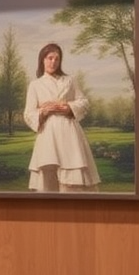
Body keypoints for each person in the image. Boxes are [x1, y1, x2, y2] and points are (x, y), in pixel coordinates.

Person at [23, 42, 101, 193]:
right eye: (50, 58)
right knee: (48, 172)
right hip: (48, 134)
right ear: (42, 60)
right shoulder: (35, 85)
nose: (53, 62)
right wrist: (44, 111)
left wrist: (68, 107)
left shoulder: (69, 80)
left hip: (69, 133)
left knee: (73, 172)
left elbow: (83, 101)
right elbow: (28, 114)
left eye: (57, 59)